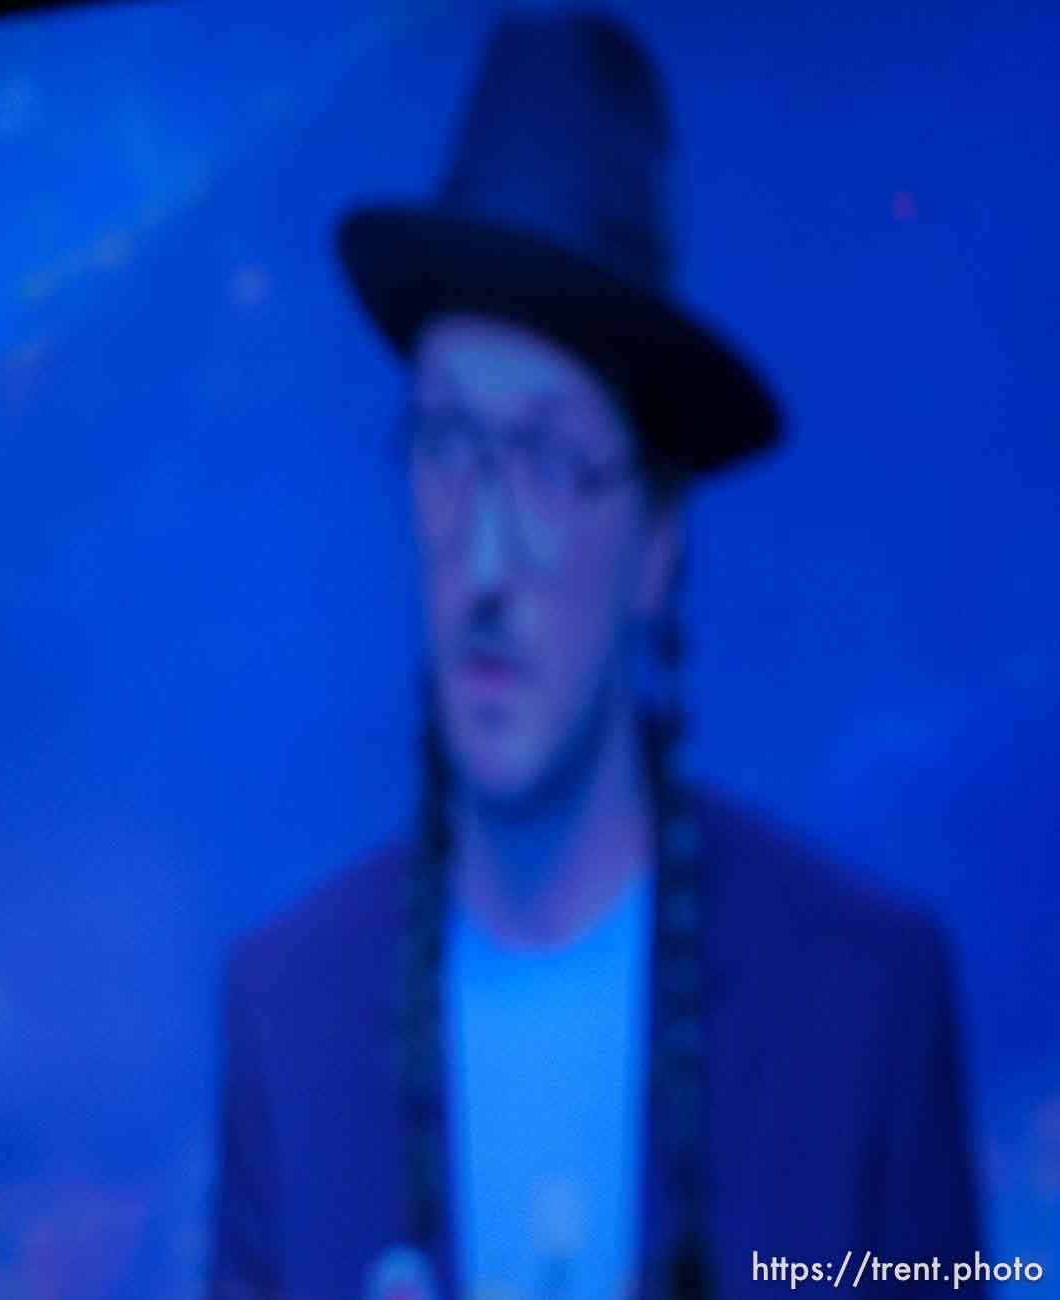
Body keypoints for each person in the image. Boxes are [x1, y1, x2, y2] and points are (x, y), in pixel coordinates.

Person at [211, 14, 978, 1300]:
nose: (489, 554)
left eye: (555, 461)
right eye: (450, 444)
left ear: (662, 537)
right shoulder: (286, 1009)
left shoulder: (864, 1004)